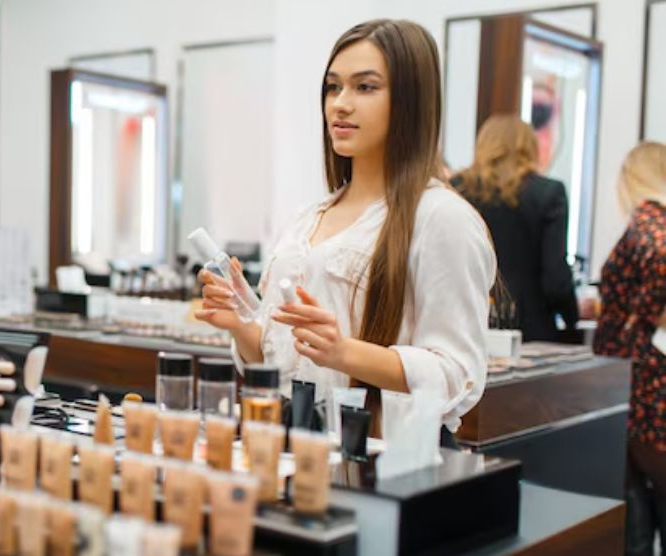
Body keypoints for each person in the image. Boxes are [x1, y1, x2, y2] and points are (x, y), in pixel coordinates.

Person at [197, 19, 496, 448]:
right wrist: (242, 325)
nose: (340, 104)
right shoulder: (308, 218)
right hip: (296, 444)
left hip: (386, 458)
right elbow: (283, 359)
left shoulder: (442, 219)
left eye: (365, 87)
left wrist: (346, 352)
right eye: (333, 87)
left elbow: (457, 375)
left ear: (411, 100)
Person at [593, 141, 666, 556]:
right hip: (644, 370)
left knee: (641, 480)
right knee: (644, 481)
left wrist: (636, 320)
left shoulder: (648, 226)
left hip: (640, 373)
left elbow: (656, 277)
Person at [452, 115, 578, 342]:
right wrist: (573, 320)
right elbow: (555, 279)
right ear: (529, 148)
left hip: (465, 324)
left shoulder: (458, 189)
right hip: (530, 327)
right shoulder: (548, 193)